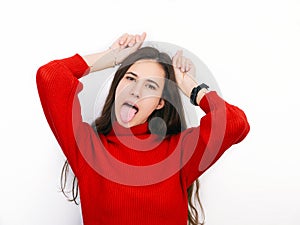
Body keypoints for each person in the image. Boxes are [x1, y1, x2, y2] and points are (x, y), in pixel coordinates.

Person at [36, 32, 250, 225]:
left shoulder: (180, 152)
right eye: (130, 78)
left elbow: (234, 123)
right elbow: (50, 75)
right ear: (117, 85)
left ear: (160, 102)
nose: (135, 91)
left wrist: (188, 85)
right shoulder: (88, 149)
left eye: (151, 86)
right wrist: (112, 57)